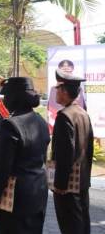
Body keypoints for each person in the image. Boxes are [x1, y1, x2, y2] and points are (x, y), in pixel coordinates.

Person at [0, 77, 50, 234]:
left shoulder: (10, 125)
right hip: (39, 192)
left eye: (6, 96)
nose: (4, 100)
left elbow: (1, 168)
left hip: (16, 199)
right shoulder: (41, 121)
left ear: (14, 97)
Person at [51, 69, 94, 234]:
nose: (55, 92)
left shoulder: (64, 116)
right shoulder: (83, 113)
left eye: (57, 89)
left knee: (70, 226)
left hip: (68, 185)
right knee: (83, 223)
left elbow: (64, 154)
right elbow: (88, 151)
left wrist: (60, 185)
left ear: (64, 91)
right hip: (82, 182)